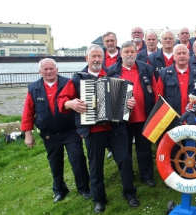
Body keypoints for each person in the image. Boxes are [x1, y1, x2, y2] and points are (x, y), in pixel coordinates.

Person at [57, 44, 139, 213]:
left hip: (116, 129)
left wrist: (130, 103)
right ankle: (98, 199)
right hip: (93, 131)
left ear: (103, 58)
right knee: (96, 166)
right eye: (93, 56)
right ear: (86, 58)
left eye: (99, 57)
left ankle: (130, 193)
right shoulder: (78, 79)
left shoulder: (113, 75)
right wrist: (70, 103)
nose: (96, 60)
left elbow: (127, 100)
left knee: (124, 160)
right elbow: (61, 100)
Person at [21, 58, 91, 203]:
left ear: (57, 69)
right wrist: (28, 134)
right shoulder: (33, 88)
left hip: (70, 130)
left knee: (77, 158)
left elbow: (81, 104)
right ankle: (59, 190)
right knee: (55, 162)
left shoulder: (68, 83)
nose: (49, 72)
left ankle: (84, 188)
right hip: (49, 133)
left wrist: (83, 128)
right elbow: (28, 113)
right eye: (45, 69)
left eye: (51, 68)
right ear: (40, 71)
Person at [108, 41, 158, 188]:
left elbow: (155, 90)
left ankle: (147, 176)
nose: (129, 55)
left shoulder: (146, 68)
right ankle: (128, 176)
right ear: (121, 54)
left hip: (144, 116)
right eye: (126, 52)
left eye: (132, 52)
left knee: (144, 149)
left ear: (136, 53)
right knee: (125, 150)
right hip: (122, 120)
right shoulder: (112, 71)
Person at [157, 44, 196, 123]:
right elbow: (158, 98)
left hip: (194, 120)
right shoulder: (164, 74)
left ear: (188, 56)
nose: (182, 56)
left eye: (184, 53)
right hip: (171, 119)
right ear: (174, 56)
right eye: (179, 53)